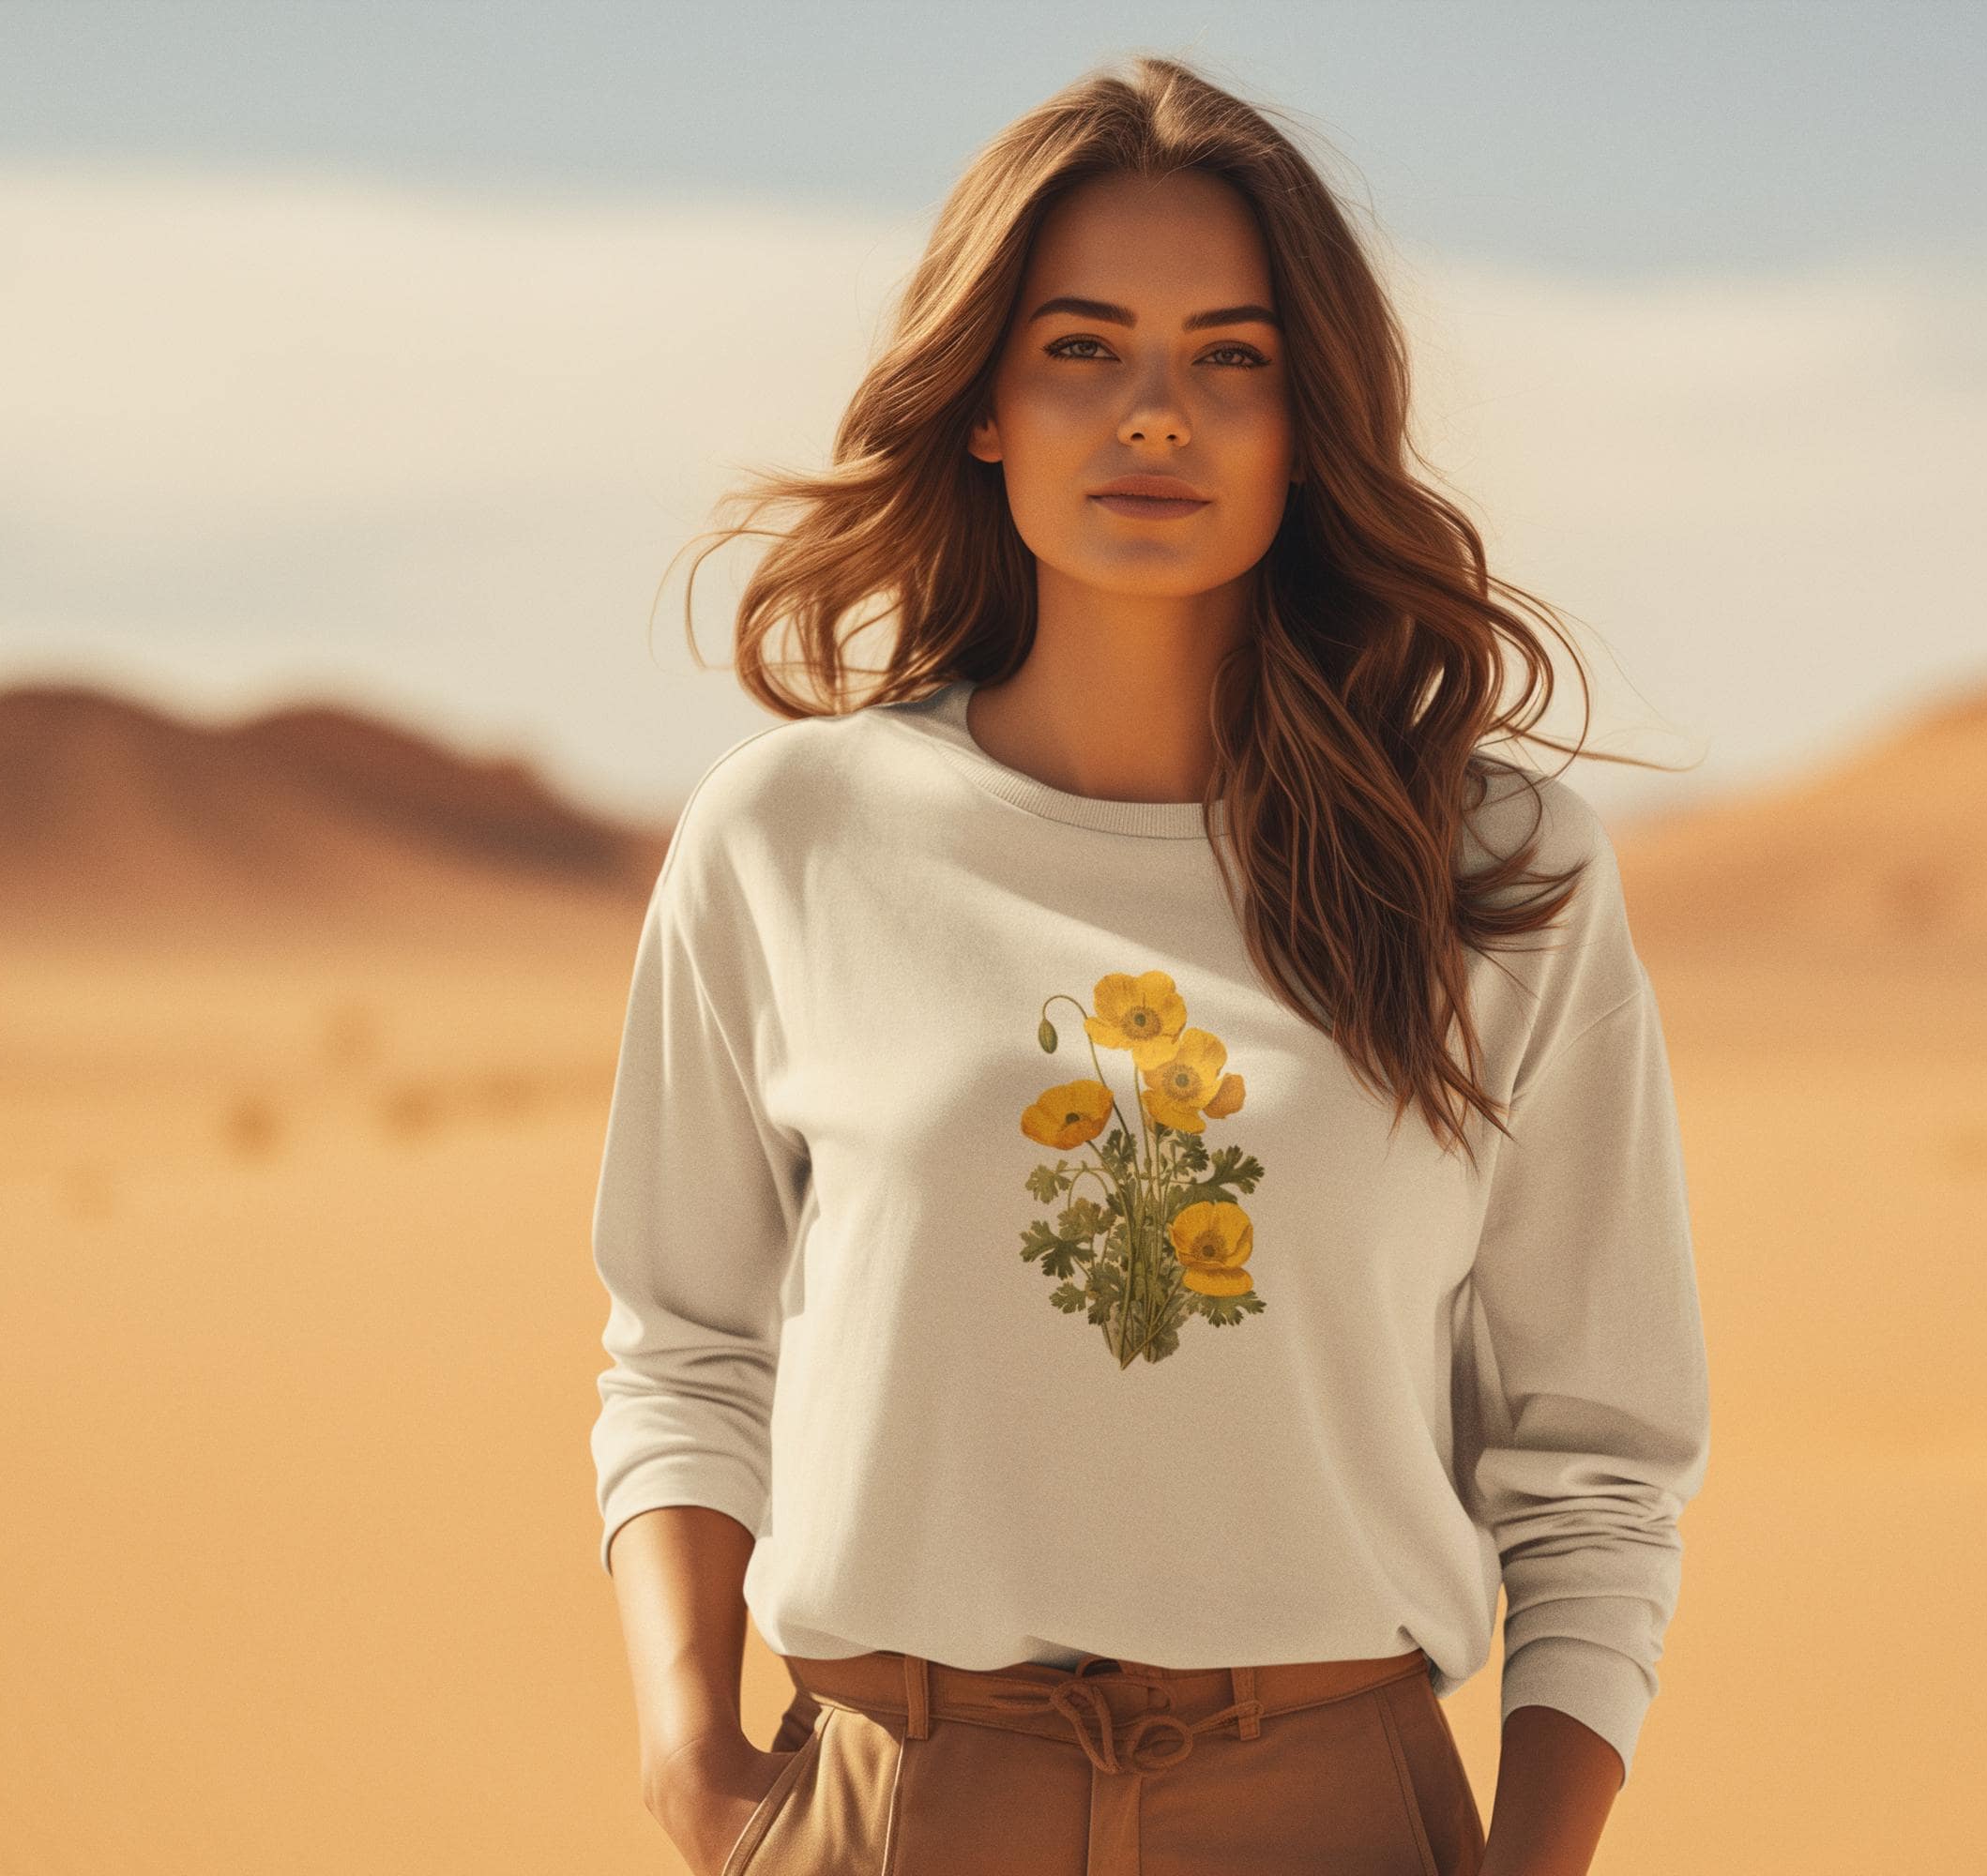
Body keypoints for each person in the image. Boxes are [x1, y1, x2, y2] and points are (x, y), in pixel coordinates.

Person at [589, 53, 1709, 1876]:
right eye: (1085, 348)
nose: (1159, 416)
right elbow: (685, 1348)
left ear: (1308, 418)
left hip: (1330, 1805)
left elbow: (1596, 1456)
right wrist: (689, 1755)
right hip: (892, 1799)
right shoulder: (789, 833)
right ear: (983, 405)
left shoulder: (1493, 871)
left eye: (1233, 358)